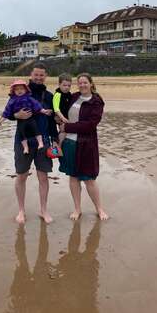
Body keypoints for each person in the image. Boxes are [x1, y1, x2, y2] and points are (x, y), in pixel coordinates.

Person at [8, 62, 58, 224]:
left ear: (46, 76)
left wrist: (55, 141)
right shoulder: (19, 92)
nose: (38, 77)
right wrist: (17, 116)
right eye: (36, 74)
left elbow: (51, 122)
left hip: (43, 140)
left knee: (43, 177)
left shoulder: (49, 96)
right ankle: (21, 210)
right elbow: (8, 112)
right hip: (22, 140)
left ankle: (43, 210)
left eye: (41, 75)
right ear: (31, 75)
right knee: (21, 175)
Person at [59, 73, 109, 221]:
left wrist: (67, 127)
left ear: (91, 83)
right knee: (73, 177)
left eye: (85, 83)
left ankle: (99, 209)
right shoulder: (74, 97)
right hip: (69, 143)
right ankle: (77, 209)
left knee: (89, 179)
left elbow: (90, 125)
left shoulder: (96, 102)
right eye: (79, 83)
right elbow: (60, 108)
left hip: (86, 144)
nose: (82, 85)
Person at [0, 79, 51, 154]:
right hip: (21, 121)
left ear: (25, 89)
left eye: (21, 89)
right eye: (17, 89)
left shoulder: (29, 98)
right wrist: (2, 119)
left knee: (36, 129)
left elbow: (37, 105)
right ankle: (25, 147)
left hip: (31, 119)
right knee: (21, 133)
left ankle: (40, 143)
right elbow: (7, 110)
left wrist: (44, 111)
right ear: (13, 91)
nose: (19, 91)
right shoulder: (12, 100)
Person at [52, 73, 72, 146]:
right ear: (59, 84)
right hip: (60, 117)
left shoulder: (69, 94)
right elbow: (56, 109)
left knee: (65, 132)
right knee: (63, 132)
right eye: (64, 85)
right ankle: (57, 148)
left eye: (69, 86)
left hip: (67, 117)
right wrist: (62, 118)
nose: (67, 87)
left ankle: (57, 146)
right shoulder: (57, 94)